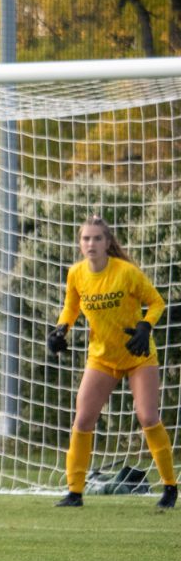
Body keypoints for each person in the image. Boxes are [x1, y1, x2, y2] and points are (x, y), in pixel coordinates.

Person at [47, 215, 176, 509]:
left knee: (147, 417)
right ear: (80, 244)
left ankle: (170, 487)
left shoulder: (126, 273)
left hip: (137, 356)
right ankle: (75, 492)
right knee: (83, 418)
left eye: (97, 238)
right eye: (86, 239)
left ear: (107, 243)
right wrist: (60, 330)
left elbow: (156, 302)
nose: (91, 243)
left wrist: (145, 326)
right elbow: (71, 308)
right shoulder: (76, 274)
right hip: (102, 358)